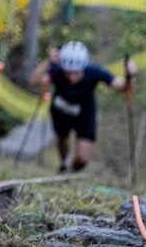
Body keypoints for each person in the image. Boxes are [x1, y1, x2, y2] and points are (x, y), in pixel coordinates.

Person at [28, 42, 135, 173]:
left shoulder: (94, 71)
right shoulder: (56, 70)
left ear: (83, 67)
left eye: (76, 73)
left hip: (85, 113)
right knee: (62, 138)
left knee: (83, 158)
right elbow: (33, 82)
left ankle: (71, 171)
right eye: (68, 73)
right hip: (60, 111)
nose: (72, 77)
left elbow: (121, 86)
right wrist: (48, 62)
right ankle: (63, 163)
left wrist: (129, 76)